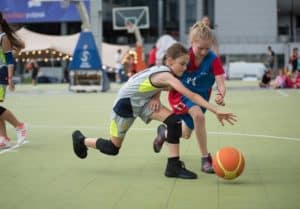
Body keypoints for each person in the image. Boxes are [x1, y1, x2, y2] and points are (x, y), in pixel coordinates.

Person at [71, 43, 237, 179]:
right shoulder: (167, 76)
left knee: (173, 122)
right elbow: (191, 95)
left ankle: (173, 167)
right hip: (125, 105)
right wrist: (216, 111)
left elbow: (155, 85)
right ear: (170, 61)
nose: (185, 68)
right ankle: (81, 140)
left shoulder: (165, 71)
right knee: (112, 148)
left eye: (187, 64)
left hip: (143, 102)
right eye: (182, 64)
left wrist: (156, 97)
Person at [153, 21, 226, 174]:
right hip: (181, 96)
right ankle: (206, 159)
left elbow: (220, 80)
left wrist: (221, 93)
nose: (204, 52)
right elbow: (164, 75)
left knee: (185, 134)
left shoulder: (213, 59)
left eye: (208, 48)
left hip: (201, 98)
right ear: (191, 43)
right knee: (199, 116)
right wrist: (155, 97)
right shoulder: (184, 57)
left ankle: (164, 134)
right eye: (200, 48)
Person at [0, 12, 27, 148]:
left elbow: (9, 59)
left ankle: (19, 125)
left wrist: (10, 78)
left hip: (1, 74)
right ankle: (3, 137)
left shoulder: (3, 37)